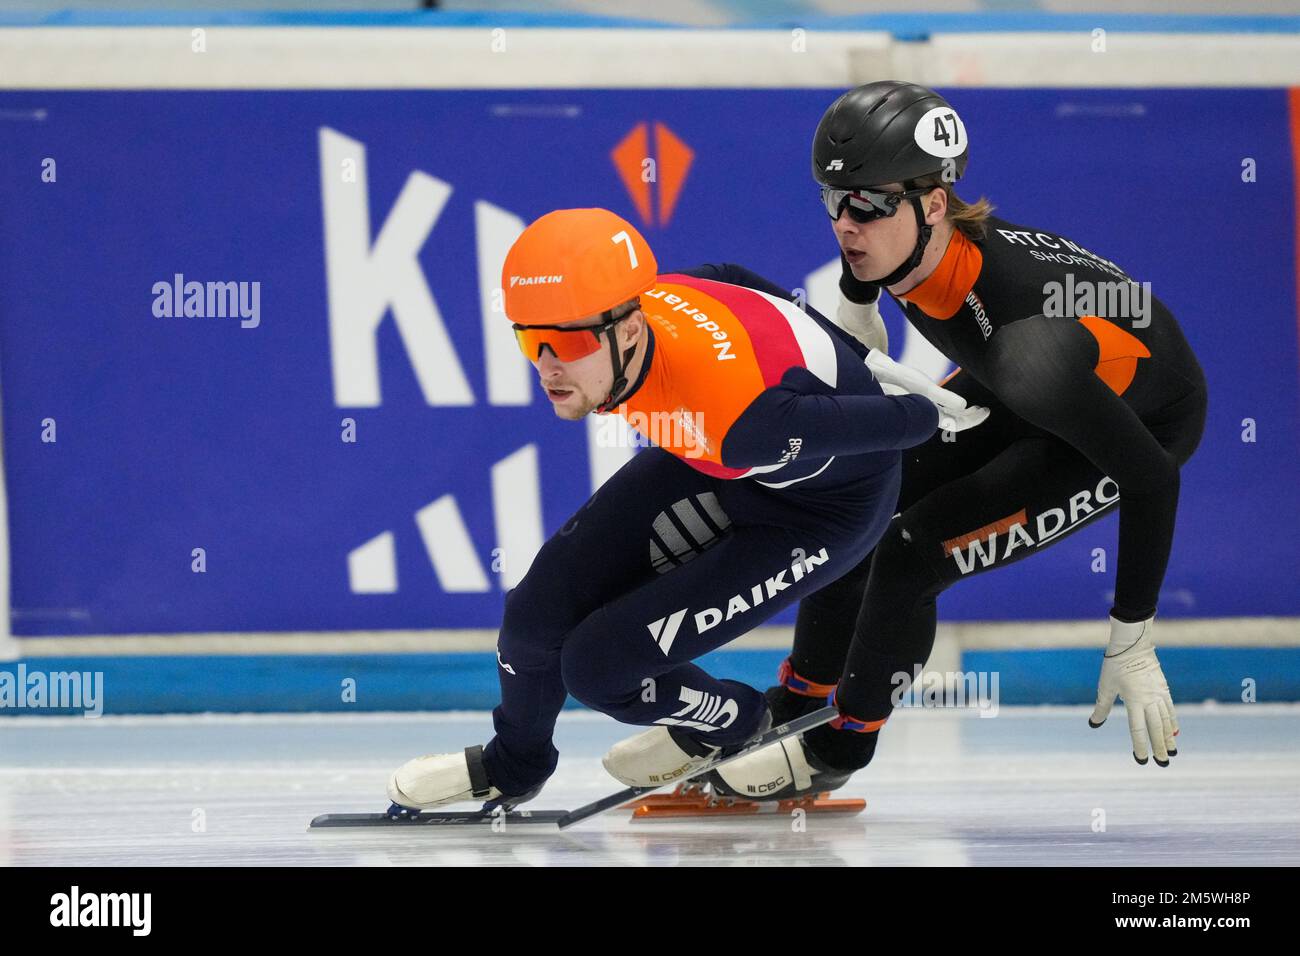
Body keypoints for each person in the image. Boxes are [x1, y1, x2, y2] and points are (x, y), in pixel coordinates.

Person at [385, 206, 988, 809]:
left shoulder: (741, 424)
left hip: (822, 515)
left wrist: (930, 403)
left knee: (600, 668)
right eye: (529, 339)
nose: (547, 366)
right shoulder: (658, 297)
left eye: (566, 340)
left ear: (626, 330)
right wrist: (837, 342)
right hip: (719, 459)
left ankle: (734, 721)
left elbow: (906, 425)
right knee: (532, 618)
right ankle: (512, 764)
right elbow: (734, 275)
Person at [712, 81, 1208, 801]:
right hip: (1041, 372)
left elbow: (1154, 478)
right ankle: (800, 699)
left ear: (933, 205)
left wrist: (1132, 632)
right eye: (832, 201)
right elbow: (869, 282)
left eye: (869, 204)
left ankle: (839, 745)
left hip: (1131, 421)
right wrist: (855, 313)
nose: (846, 226)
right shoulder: (907, 246)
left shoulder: (1023, 347)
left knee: (914, 551)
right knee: (859, 490)